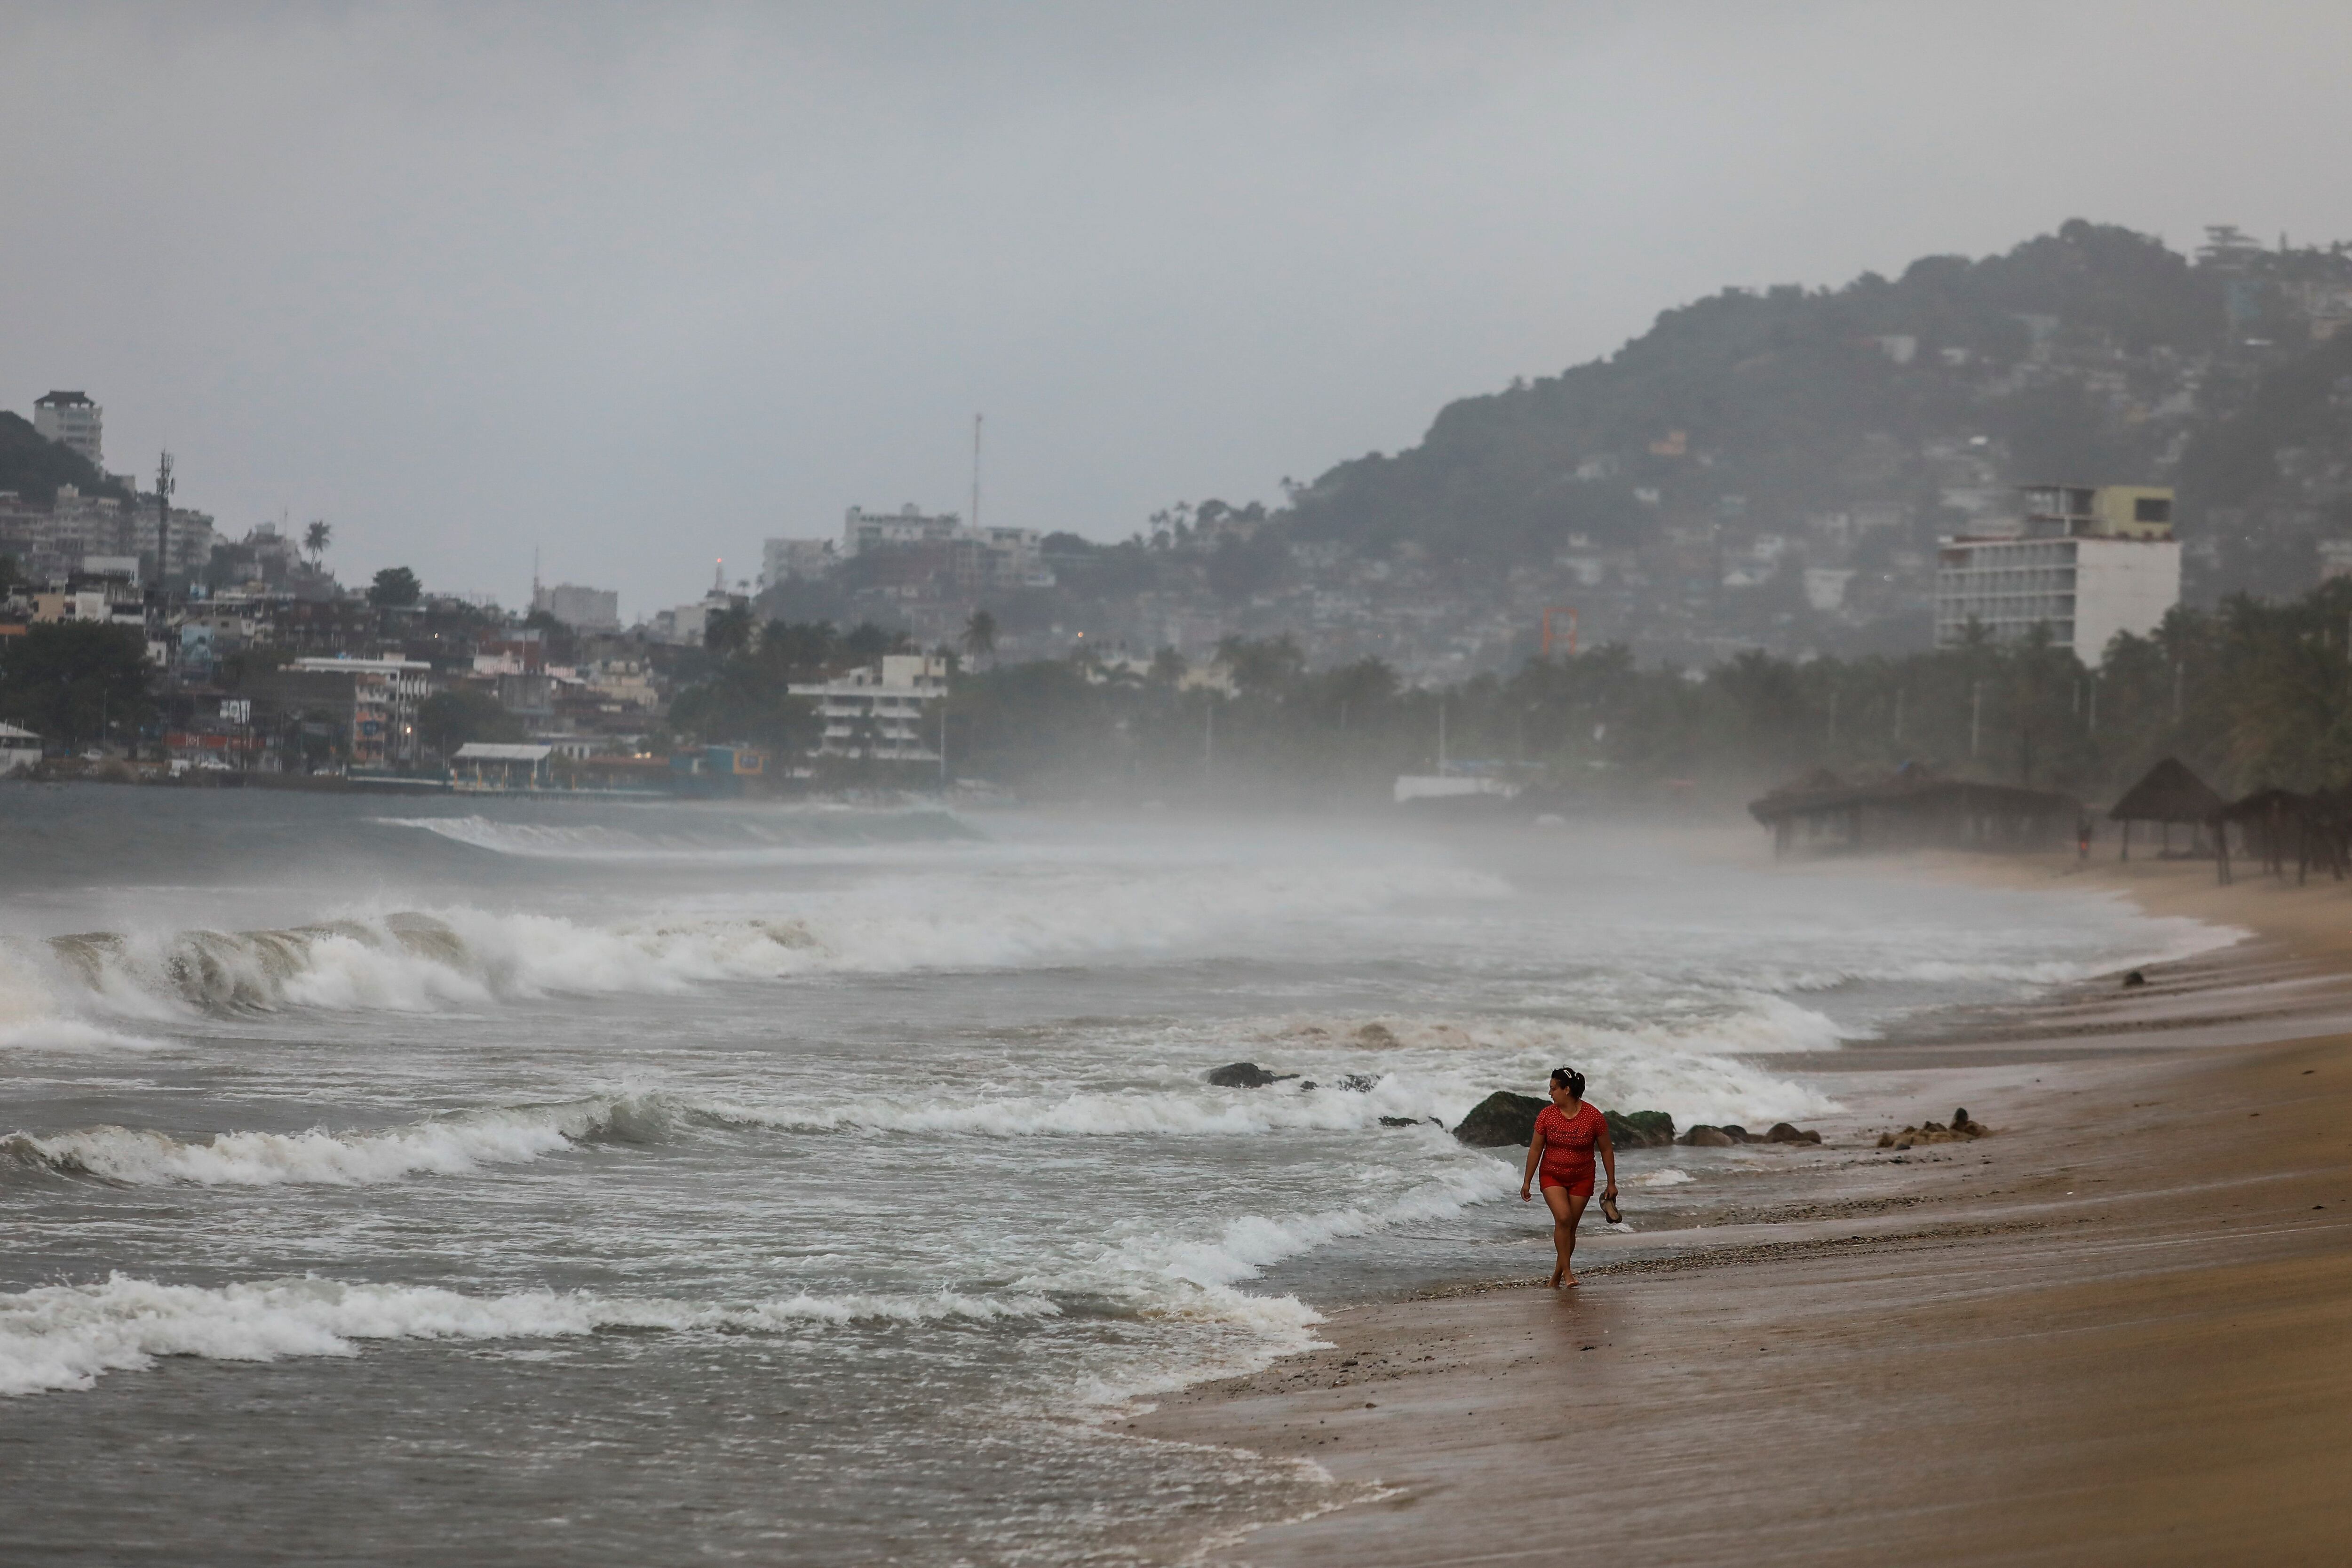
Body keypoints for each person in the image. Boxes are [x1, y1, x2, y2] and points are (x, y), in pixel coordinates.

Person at [1518, 1067, 1617, 1289]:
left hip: (1582, 1177)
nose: (1550, 1093)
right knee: (1563, 1219)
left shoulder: (1593, 1117)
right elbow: (1535, 1150)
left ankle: (1555, 1278)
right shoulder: (1547, 1115)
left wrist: (1611, 1182)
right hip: (1552, 1174)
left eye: (1554, 1088)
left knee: (1570, 1228)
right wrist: (1527, 1180)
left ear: (1567, 1090)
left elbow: (1607, 1150)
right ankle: (1568, 1274)